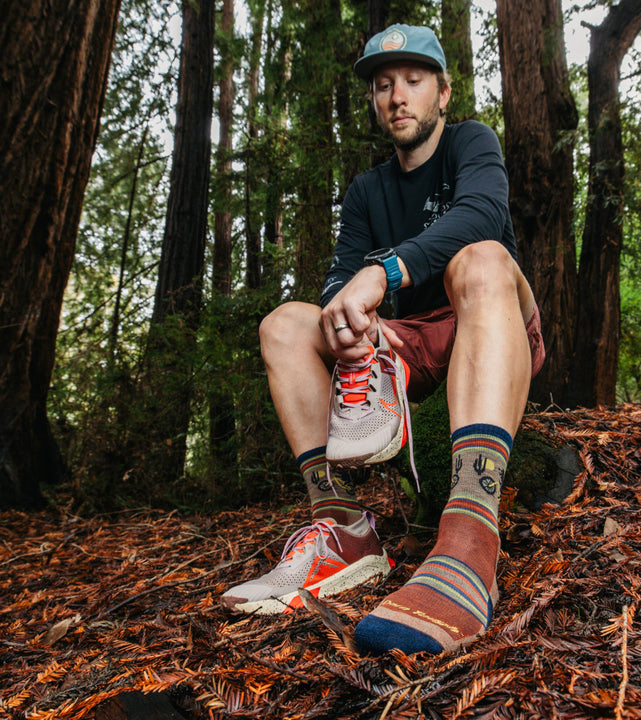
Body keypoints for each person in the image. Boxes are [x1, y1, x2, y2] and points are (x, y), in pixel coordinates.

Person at [221, 23, 545, 655]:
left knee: (478, 258)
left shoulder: (470, 143)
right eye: (383, 84)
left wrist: (386, 270)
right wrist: (345, 322)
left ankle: (471, 531)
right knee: (286, 324)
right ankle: (342, 527)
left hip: (489, 319)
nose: (398, 95)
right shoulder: (368, 189)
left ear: (443, 93)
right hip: (406, 346)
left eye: (414, 80)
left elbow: (483, 214)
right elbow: (341, 277)